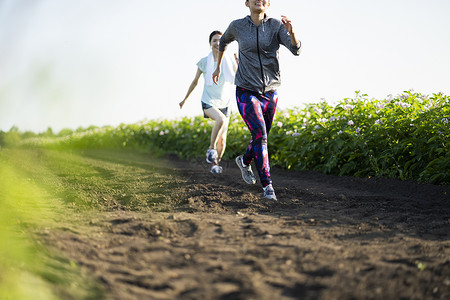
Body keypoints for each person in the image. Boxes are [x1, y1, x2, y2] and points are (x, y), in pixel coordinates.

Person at [212, 0, 301, 200]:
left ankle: (244, 161)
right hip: (246, 90)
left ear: (268, 4)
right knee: (260, 134)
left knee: (261, 136)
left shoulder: (276, 26)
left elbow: (296, 50)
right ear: (247, 3)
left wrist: (292, 31)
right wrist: (218, 66)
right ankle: (268, 186)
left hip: (270, 91)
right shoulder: (238, 26)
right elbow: (224, 41)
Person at [180, 30, 238, 174]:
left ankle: (215, 164)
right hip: (208, 100)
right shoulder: (204, 62)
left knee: (222, 140)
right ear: (210, 44)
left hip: (225, 102)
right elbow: (195, 82)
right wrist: (185, 99)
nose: (217, 43)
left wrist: (238, 63)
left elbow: (238, 78)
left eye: (220, 40)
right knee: (221, 119)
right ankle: (210, 149)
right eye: (214, 40)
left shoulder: (230, 60)